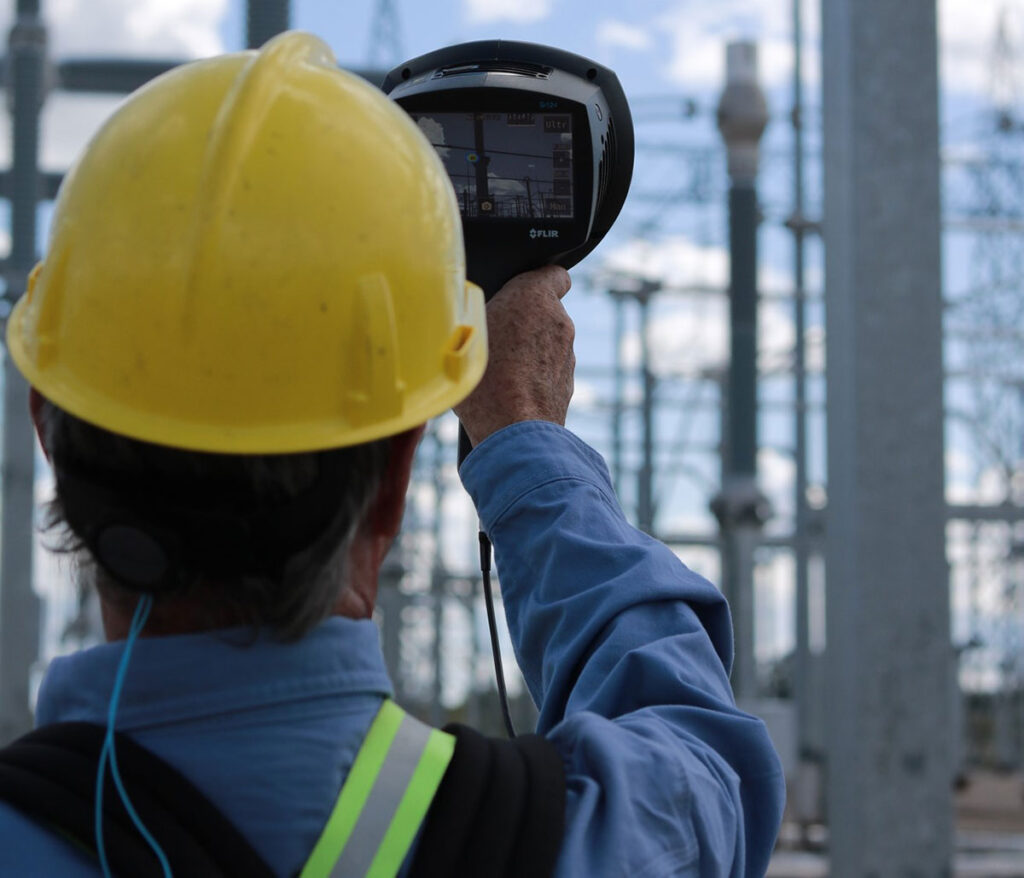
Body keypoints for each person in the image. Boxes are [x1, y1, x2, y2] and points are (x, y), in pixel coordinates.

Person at [0, 31, 784, 877]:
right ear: (391, 488)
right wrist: (521, 434)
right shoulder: (559, 841)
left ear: (47, 426)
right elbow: (706, 769)